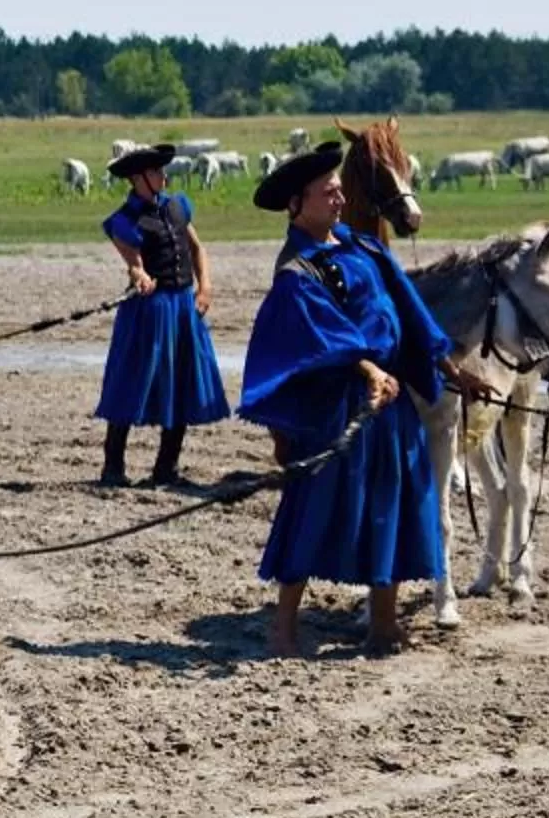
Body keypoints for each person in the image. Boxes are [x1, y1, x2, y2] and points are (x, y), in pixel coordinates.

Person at [237, 141, 454, 660]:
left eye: (338, 190)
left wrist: (447, 366)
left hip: (392, 402)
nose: (339, 199)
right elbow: (317, 334)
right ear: (297, 204)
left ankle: (383, 626)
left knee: (391, 506)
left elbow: (407, 305)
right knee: (313, 510)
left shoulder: (364, 247)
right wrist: (368, 368)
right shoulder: (297, 270)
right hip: (338, 409)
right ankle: (283, 630)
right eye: (327, 193)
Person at [93, 144, 227, 487]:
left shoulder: (178, 206)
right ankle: (113, 467)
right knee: (131, 383)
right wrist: (140, 276)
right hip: (150, 311)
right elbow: (134, 264)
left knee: (181, 383)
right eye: (156, 172)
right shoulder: (125, 220)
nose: (163, 176)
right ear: (138, 179)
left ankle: (166, 468)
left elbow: (197, 249)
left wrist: (205, 286)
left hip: (184, 306)